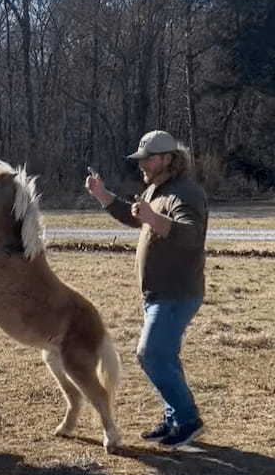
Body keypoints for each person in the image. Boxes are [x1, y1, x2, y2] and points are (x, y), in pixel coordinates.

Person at [86, 130, 208, 448]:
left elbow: (192, 236)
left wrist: (155, 219)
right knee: (164, 357)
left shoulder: (185, 193)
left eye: (148, 158)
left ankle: (189, 420)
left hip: (176, 294)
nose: (142, 164)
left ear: (169, 159)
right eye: (140, 158)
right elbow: (137, 217)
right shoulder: (158, 188)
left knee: (150, 355)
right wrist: (103, 195)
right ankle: (174, 418)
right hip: (158, 294)